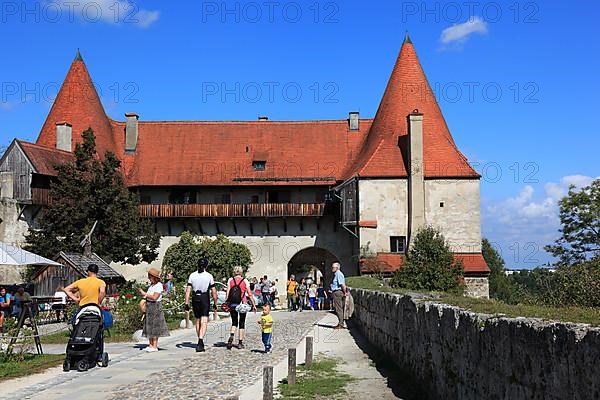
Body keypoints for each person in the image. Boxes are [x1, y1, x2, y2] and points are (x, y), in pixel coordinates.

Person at [184, 258, 218, 352]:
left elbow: (188, 290)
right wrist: (215, 303)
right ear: (206, 266)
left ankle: (200, 339)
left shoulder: (192, 275)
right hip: (204, 298)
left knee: (198, 320)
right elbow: (214, 291)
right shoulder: (209, 276)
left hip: (195, 297)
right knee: (204, 320)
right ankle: (200, 340)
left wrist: (186, 303)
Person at [137, 268, 170, 352]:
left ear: (154, 277)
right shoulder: (151, 286)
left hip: (155, 306)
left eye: (150, 276)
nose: (149, 278)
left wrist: (145, 294)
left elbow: (155, 297)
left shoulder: (159, 285)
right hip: (149, 305)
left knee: (155, 326)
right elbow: (148, 295)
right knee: (149, 326)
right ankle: (150, 344)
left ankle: (154, 345)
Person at [225, 266, 256, 350]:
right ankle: (240, 343)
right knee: (241, 322)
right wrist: (253, 304)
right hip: (242, 304)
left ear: (234, 272)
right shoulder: (245, 281)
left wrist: (227, 302)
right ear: (241, 272)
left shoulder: (230, 280)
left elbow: (228, 292)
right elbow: (249, 293)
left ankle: (231, 335)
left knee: (234, 322)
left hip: (232, 304)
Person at [330, 262, 348, 329]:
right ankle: (341, 323)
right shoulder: (336, 274)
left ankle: (341, 324)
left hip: (338, 292)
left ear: (337, 268)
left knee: (338, 308)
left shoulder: (338, 274)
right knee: (339, 308)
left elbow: (342, 284)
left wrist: (345, 292)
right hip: (337, 292)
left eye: (333, 267)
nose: (331, 269)